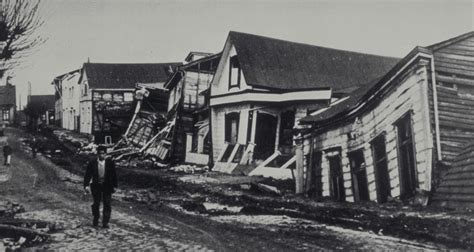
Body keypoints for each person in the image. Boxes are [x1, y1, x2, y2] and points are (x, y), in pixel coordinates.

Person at [83, 145, 117, 228]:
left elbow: (114, 175)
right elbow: (88, 174)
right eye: (100, 153)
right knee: (96, 203)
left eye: (103, 153)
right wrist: (86, 185)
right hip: (96, 185)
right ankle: (96, 219)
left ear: (106, 154)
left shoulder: (110, 163)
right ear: (97, 154)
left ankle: (105, 222)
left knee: (107, 203)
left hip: (107, 186)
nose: (102, 155)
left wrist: (115, 185)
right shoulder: (92, 163)